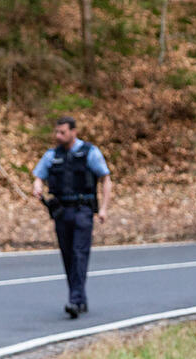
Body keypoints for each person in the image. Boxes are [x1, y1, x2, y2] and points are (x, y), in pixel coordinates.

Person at [32, 116, 112, 319]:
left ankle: (75, 301)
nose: (58, 136)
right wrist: (38, 185)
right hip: (61, 212)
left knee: (79, 254)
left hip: (83, 210)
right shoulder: (52, 155)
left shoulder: (90, 153)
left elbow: (105, 179)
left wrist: (103, 208)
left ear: (73, 132)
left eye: (63, 132)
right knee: (68, 256)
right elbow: (39, 175)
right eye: (56, 132)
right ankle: (80, 299)